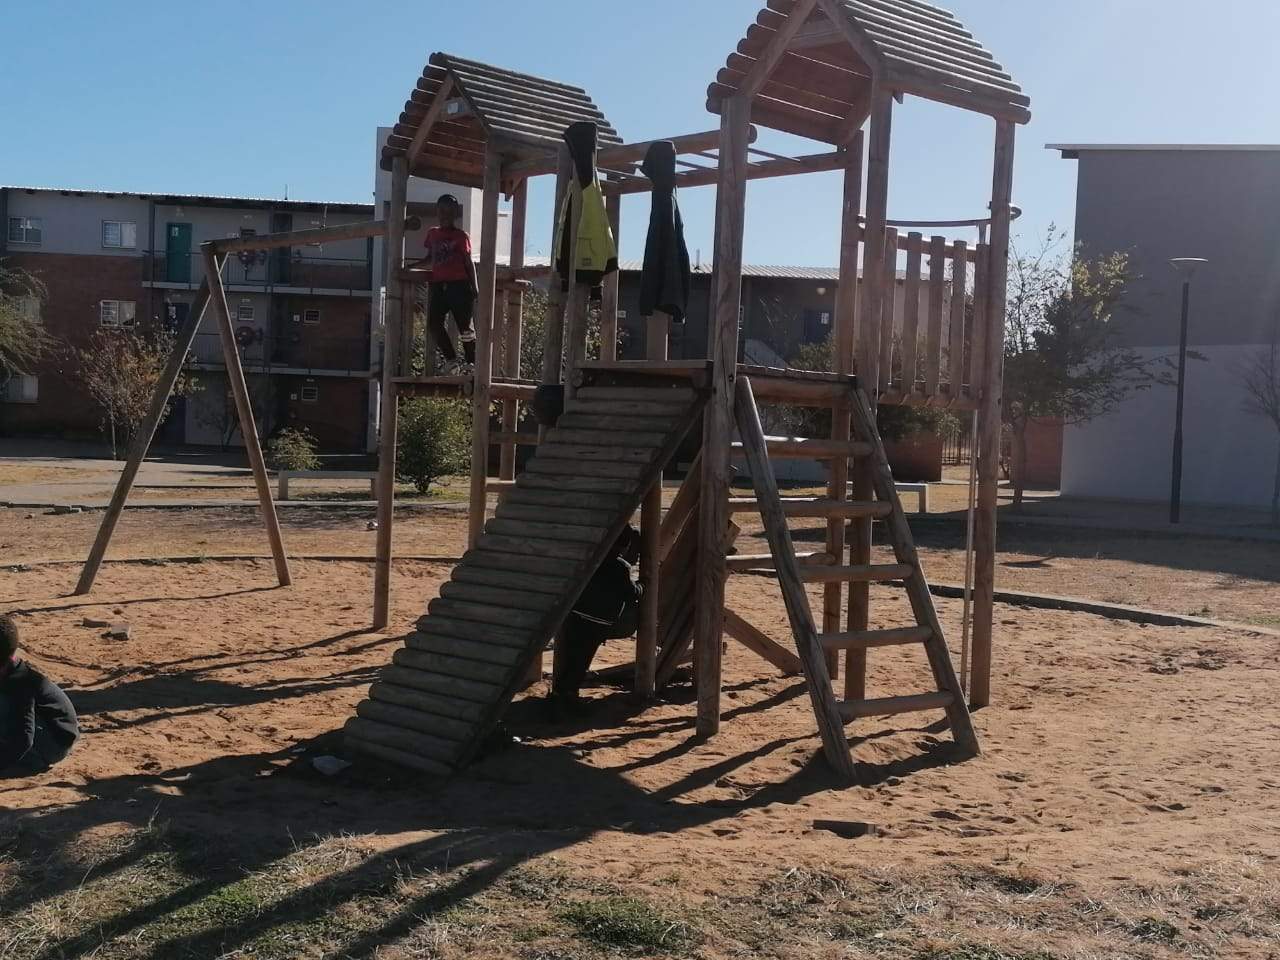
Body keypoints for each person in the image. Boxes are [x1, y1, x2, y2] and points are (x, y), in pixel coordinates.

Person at [549, 525, 643, 715]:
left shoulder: (592, 558)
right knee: (581, 661)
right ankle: (566, 698)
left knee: (570, 656)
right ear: (625, 546)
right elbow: (629, 593)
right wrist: (641, 587)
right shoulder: (620, 567)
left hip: (576, 615)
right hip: (597, 622)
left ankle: (560, 693)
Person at [0, 615, 79, 775]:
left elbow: (24, 737)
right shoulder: (9, 670)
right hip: (37, 729)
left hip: (54, 742)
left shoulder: (20, 683)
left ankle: (32, 761)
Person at [414, 193, 478, 373]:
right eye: (442, 210)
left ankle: (472, 362)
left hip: (459, 285)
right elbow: (430, 258)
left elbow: (468, 262)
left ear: (455, 213)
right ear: (437, 212)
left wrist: (475, 286)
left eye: (450, 211)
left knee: (465, 326)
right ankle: (451, 359)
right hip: (438, 285)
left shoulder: (461, 236)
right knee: (434, 323)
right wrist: (410, 266)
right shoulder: (433, 234)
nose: (445, 215)